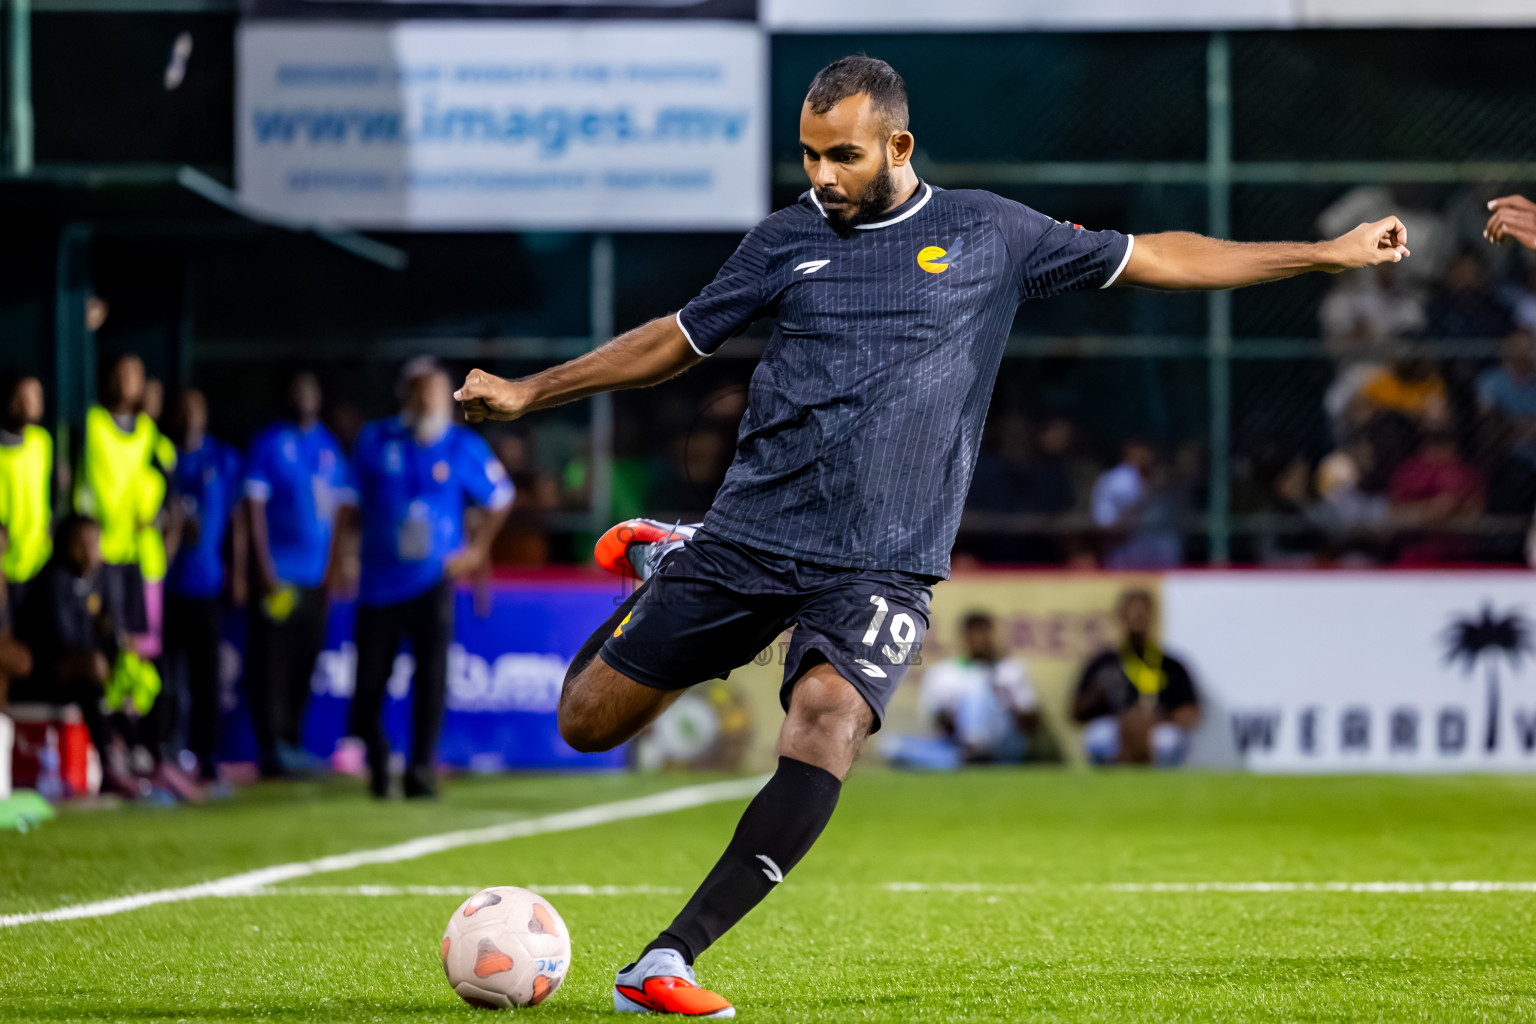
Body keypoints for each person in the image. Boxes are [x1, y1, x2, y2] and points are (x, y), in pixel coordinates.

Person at [450, 55, 1410, 1015]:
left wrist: (1325, 255)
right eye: (809, 154)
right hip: (751, 533)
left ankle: (667, 959)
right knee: (584, 722)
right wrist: (533, 390)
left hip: (882, 562)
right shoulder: (786, 238)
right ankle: (675, 560)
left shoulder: (992, 232)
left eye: (843, 155)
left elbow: (1161, 254)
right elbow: (675, 338)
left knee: (827, 723)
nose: (821, 175)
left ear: (898, 146)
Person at [343, 358, 511, 799]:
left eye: (436, 391)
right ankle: (377, 754)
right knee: (366, 686)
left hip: (433, 582)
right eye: (419, 390)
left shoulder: (461, 446)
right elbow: (347, 503)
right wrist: (340, 557)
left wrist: (476, 552)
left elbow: (501, 496)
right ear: (405, 395)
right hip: (378, 582)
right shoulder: (376, 439)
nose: (428, 399)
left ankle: (420, 769)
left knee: (431, 681)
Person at [243, 372, 353, 777]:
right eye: (298, 390)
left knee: (305, 661)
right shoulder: (270, 443)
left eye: (312, 390)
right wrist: (263, 565)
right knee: (272, 662)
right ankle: (270, 748)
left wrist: (335, 564)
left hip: (315, 578)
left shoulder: (328, 447)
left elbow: (342, 508)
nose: (305, 397)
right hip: (280, 576)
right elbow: (253, 508)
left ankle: (292, 741)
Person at [12, 515, 138, 798]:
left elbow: (107, 638)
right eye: (82, 543)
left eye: (94, 542)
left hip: (78, 675)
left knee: (127, 674)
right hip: (38, 675)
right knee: (92, 674)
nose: (90, 550)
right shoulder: (54, 580)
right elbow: (61, 643)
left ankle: (133, 754)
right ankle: (110, 763)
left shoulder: (95, 581)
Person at [164, 389, 246, 785]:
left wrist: (239, 571)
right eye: (181, 409)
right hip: (164, 585)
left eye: (195, 408)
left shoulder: (224, 458)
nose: (188, 416)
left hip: (208, 584)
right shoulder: (162, 456)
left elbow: (238, 520)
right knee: (167, 677)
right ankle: (164, 751)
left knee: (206, 678)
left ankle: (207, 755)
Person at [886, 611, 1036, 769]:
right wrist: (952, 717)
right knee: (891, 745)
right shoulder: (942, 673)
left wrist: (1005, 697)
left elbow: (1031, 726)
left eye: (985, 633)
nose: (980, 640)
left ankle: (972, 757)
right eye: (974, 634)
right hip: (957, 746)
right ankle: (966, 758)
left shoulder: (1010, 671)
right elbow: (932, 725)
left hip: (1002, 747)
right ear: (965, 637)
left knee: (976, 688)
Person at [1072, 589, 1200, 767]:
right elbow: (1075, 714)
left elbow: (1191, 714)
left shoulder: (1170, 665)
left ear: (1152, 617)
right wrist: (1098, 692)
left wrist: (1154, 719)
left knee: (1169, 739)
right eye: (1132, 613)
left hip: (1156, 726)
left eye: (1142, 614)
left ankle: (1162, 784)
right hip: (1115, 727)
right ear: (1121, 616)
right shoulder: (1104, 663)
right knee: (1097, 735)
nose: (1137, 619)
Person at [0, 373, 53, 611]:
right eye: (22, 396)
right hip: (5, 565)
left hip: (39, 560)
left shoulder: (42, 442)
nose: (30, 403)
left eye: (36, 395)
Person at [1476, 330, 1536, 465]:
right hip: (1504, 456)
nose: (1524, 354)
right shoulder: (1490, 380)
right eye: (1518, 350)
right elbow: (1489, 419)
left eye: (1529, 349)